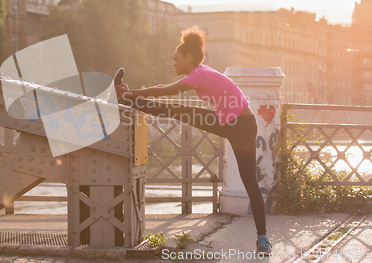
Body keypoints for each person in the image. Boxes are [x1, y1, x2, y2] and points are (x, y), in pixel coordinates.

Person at [115, 25, 272, 255]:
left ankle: (262, 238)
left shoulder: (199, 74)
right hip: (232, 122)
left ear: (188, 58)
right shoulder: (200, 72)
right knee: (177, 110)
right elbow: (162, 89)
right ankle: (125, 97)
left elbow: (163, 91)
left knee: (249, 181)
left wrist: (130, 93)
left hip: (241, 125)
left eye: (176, 59)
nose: (173, 63)